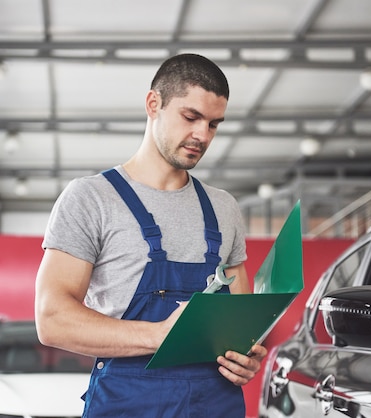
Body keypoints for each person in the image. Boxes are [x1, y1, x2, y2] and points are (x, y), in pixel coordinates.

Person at [35, 53, 267, 417]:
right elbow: (52, 320)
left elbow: (240, 326)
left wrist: (245, 358)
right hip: (126, 405)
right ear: (153, 104)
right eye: (191, 117)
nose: (202, 135)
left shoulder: (224, 208)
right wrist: (159, 335)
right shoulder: (91, 198)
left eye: (214, 124)